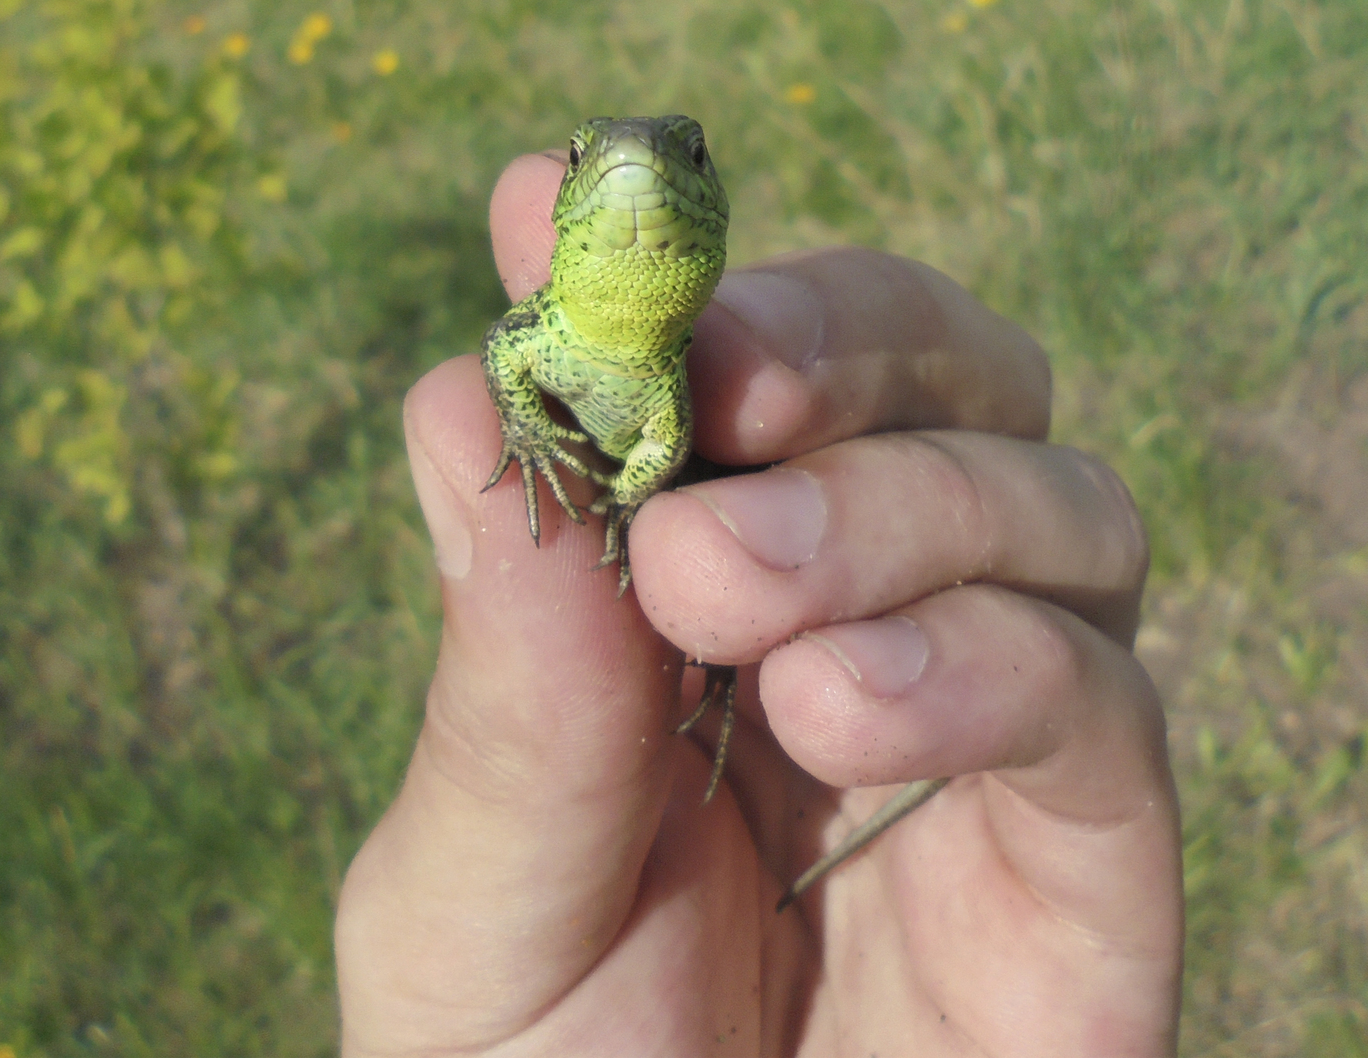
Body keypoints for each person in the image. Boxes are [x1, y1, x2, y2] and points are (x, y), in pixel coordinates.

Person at [335, 150, 1184, 1056]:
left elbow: (663, 444)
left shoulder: (674, 376)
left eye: (684, 155)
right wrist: (542, 441)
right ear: (568, 212)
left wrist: (631, 502)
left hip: (720, 590)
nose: (633, 164)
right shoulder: (544, 330)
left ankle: (740, 673)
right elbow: (506, 355)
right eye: (588, 155)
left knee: (741, 516)